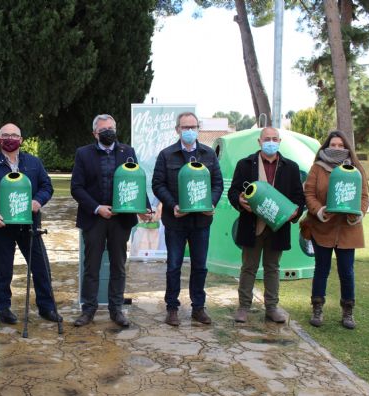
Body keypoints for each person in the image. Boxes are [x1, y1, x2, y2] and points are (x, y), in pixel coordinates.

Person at [71, 113, 152, 328]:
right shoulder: (83, 154)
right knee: (91, 266)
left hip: (120, 220)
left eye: (111, 129)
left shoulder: (128, 151)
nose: (108, 133)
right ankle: (88, 310)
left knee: (118, 265)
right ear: (95, 133)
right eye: (103, 130)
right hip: (94, 218)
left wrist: (144, 207)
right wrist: (98, 208)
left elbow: (136, 180)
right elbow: (76, 188)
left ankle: (116, 310)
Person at [0, 123, 60, 325]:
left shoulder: (34, 163)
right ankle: (3, 308)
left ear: (21, 140)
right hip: (2, 226)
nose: (10, 138)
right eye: (5, 135)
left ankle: (46, 307)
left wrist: (38, 200)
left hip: (29, 225)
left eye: (14, 135)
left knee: (41, 267)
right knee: (3, 269)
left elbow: (47, 186)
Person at [152, 111, 224, 326]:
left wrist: (211, 203)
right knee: (174, 265)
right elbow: (158, 184)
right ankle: (172, 308)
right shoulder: (166, 155)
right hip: (175, 221)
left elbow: (217, 184)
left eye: (193, 127)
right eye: (185, 127)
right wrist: (173, 205)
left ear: (198, 129)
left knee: (200, 266)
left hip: (201, 222)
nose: (190, 131)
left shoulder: (209, 154)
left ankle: (198, 308)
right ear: (177, 130)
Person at [227, 127, 304, 323]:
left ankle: (272, 307)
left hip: (278, 227)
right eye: (267, 139)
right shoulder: (245, 165)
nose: (271, 142)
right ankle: (243, 307)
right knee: (248, 267)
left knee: (273, 267)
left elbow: (298, 197)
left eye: (274, 139)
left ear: (279, 142)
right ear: (259, 142)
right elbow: (233, 191)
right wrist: (239, 200)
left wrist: (296, 211)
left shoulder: (291, 167)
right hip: (252, 225)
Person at [301, 130, 369, 329]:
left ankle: (348, 311)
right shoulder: (317, 168)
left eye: (341, 145)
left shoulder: (355, 169)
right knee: (321, 269)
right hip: (322, 227)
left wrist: (359, 214)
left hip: (348, 230)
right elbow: (309, 193)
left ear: (346, 147)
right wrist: (319, 210)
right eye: (333, 145)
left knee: (346, 271)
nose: (337, 148)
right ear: (326, 146)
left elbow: (364, 196)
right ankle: (317, 307)